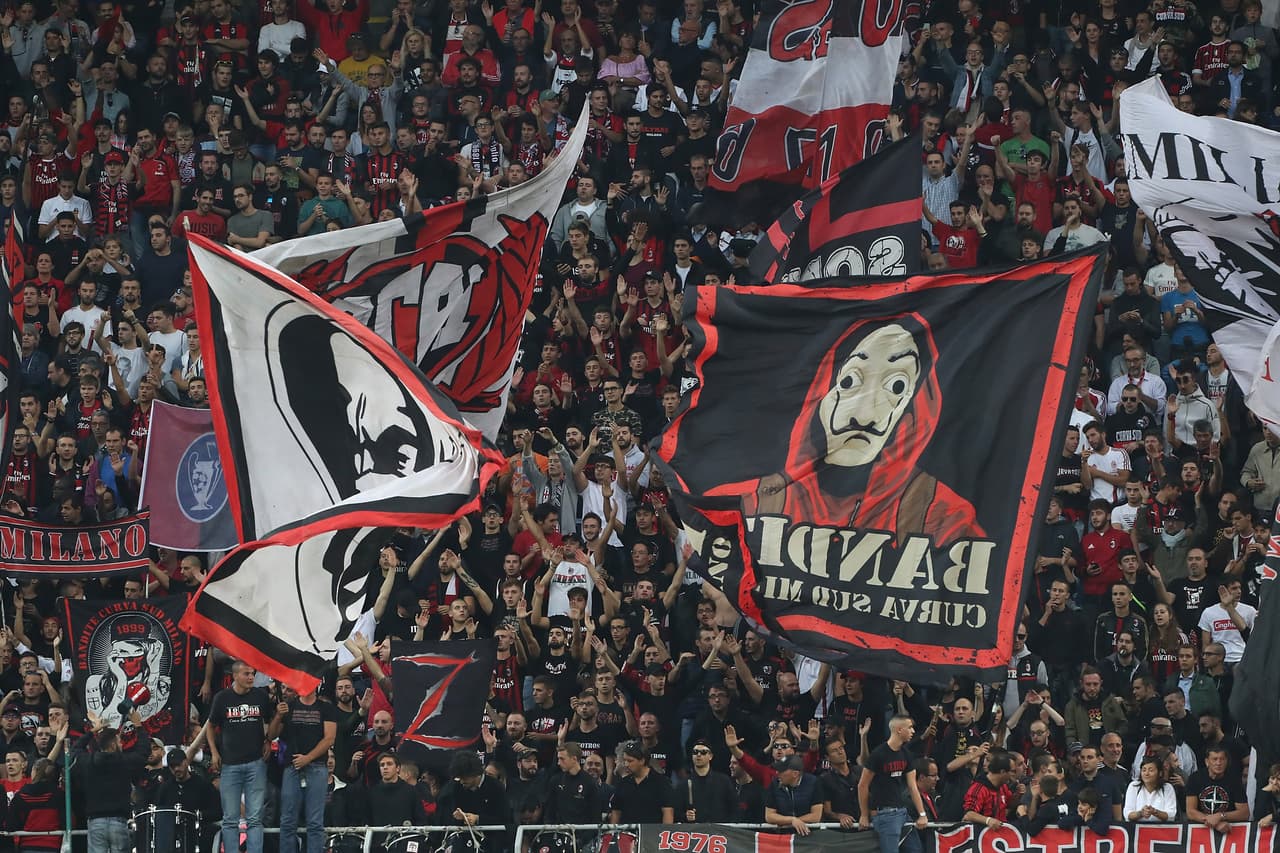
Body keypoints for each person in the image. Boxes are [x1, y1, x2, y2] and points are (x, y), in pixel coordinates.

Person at [748, 316, 982, 541]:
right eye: (849, 381)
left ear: (916, 409)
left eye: (897, 386)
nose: (864, 416)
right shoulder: (762, 497)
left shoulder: (940, 516)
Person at [208, 661, 275, 853]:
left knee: (254, 818)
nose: (251, 677)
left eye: (252, 673)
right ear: (235, 676)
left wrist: (268, 740)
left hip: (256, 763)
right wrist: (214, 751)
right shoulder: (222, 698)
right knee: (230, 818)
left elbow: (270, 721)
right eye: (246, 674)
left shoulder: (260, 696)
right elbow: (211, 727)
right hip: (230, 765)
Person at [72, 707, 149, 853]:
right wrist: (138, 726)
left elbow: (75, 750)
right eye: (119, 742)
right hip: (118, 822)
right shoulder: (124, 761)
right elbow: (144, 751)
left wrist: (93, 731)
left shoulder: (88, 761)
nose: (121, 744)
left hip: (96, 823)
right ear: (113, 744)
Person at [272, 684, 337, 853]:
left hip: (316, 766)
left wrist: (308, 758)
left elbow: (329, 738)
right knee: (287, 821)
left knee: (315, 822)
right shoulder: (289, 707)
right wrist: (278, 716)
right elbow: (271, 735)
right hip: (292, 766)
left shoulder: (326, 708)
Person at [858, 715, 929, 853]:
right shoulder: (878, 754)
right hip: (885, 814)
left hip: (902, 812)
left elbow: (912, 786)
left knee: (916, 849)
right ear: (899, 730)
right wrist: (864, 814)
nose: (913, 731)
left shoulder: (906, 754)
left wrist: (922, 814)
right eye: (910, 727)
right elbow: (862, 785)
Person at [1124, 756, 1177, 821]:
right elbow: (1127, 814)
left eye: (1151, 770)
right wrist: (1141, 813)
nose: (1146, 773)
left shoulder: (1167, 788)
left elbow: (1171, 815)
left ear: (1160, 773)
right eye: (1144, 770)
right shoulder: (1134, 786)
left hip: (1162, 829)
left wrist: (1155, 812)